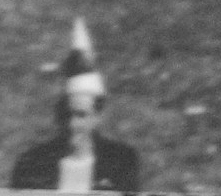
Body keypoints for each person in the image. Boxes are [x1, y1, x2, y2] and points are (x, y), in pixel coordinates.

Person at [11, 20, 140, 193]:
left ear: (97, 117)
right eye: (67, 114)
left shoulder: (121, 161)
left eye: (81, 115)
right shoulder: (32, 163)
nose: (72, 125)